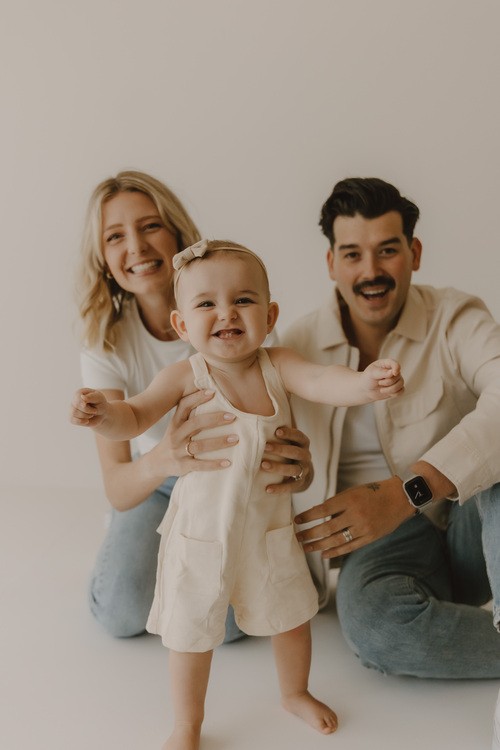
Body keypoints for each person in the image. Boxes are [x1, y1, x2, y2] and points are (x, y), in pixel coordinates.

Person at [71, 238, 405, 748]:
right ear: (182, 325)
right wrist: (103, 415)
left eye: (243, 300)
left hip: (269, 531)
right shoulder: (185, 376)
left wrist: (366, 384)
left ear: (269, 316)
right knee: (192, 633)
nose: (226, 312)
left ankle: (294, 692)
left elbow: (323, 380)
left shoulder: (278, 365)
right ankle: (187, 723)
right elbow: (134, 414)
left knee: (292, 617)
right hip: (202, 534)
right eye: (206, 303)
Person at [76, 171, 314, 642]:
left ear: (178, 235)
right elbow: (119, 488)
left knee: (233, 625)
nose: (136, 247)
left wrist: (302, 470)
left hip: (235, 475)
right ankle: (151, 551)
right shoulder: (106, 342)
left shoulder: (241, 316)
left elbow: (285, 442)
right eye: (115, 236)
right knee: (120, 613)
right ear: (102, 258)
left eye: (150, 226)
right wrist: (165, 456)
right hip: (158, 482)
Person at [282, 177, 500, 685]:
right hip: (378, 548)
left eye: (387, 250)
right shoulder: (297, 345)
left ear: (414, 253)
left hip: (463, 523)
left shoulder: (455, 317)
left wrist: (406, 492)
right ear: (331, 263)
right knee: (376, 627)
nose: (371, 272)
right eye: (352, 255)